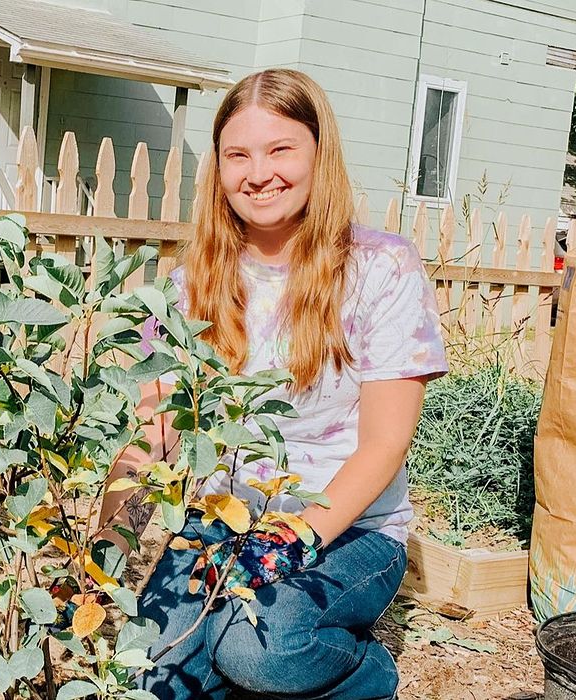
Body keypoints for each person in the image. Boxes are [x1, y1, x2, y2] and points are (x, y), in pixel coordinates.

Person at [101, 68, 447, 699]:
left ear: (320, 152)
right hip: (225, 518)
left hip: (352, 527)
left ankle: (366, 677)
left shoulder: (382, 268)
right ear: (219, 167)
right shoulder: (186, 285)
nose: (258, 173)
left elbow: (386, 444)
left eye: (280, 149)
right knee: (147, 673)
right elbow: (151, 430)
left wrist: (297, 538)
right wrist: (100, 550)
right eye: (238, 154)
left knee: (262, 650)